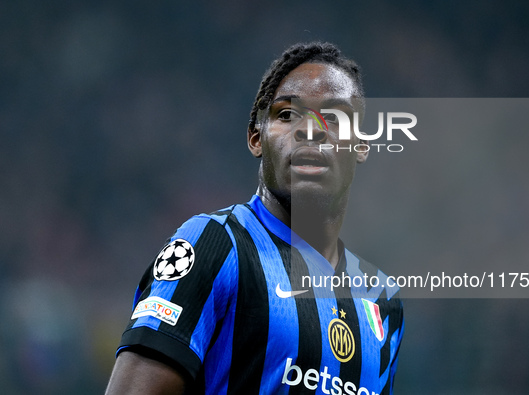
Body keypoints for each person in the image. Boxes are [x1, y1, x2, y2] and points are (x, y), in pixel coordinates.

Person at [105, 42, 404, 395]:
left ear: (361, 146)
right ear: (255, 137)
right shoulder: (214, 245)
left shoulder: (383, 300)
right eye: (288, 115)